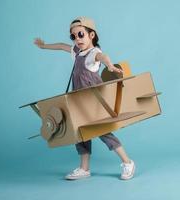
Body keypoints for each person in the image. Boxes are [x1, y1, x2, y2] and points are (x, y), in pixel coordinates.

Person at [34, 16, 135, 180]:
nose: (77, 39)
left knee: (104, 132)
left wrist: (109, 65)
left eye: (80, 34)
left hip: (95, 102)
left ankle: (128, 162)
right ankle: (84, 168)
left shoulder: (93, 53)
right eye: (73, 36)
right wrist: (44, 46)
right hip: (79, 101)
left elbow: (103, 57)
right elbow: (61, 46)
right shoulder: (76, 51)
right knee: (79, 133)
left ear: (91, 35)